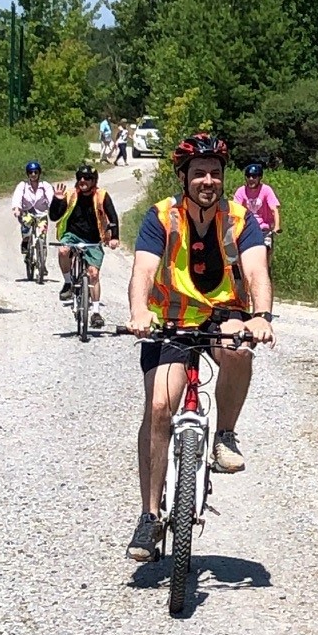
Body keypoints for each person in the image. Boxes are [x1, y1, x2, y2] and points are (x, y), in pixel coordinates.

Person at [124, 132, 274, 561]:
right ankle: (149, 517)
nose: (207, 181)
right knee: (159, 407)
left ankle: (224, 435)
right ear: (183, 177)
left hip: (222, 313)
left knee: (239, 347)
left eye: (215, 173)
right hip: (170, 319)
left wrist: (261, 315)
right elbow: (143, 272)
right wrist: (139, 311)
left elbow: (257, 272)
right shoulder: (162, 217)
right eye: (198, 173)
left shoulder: (241, 219)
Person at [49, 165, 120, 328]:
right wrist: (57, 200)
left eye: (87, 178)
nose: (83, 181)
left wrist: (114, 237)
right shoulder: (70, 194)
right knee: (63, 250)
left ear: (94, 181)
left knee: (93, 274)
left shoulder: (101, 195)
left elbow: (113, 217)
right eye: (80, 177)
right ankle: (68, 283)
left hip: (94, 238)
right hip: (72, 235)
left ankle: (95, 312)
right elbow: (54, 216)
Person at [9, 160, 52, 268]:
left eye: (35, 172)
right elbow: (17, 196)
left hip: (41, 214)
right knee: (26, 224)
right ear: (28, 174)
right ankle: (26, 242)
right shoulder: (23, 186)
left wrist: (53, 208)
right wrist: (17, 208)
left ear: (39, 173)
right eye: (31, 172)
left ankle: (42, 263)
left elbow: (51, 197)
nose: (33, 174)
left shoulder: (45, 186)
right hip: (27, 213)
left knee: (42, 237)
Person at [237, 160, 281, 242]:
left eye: (254, 176)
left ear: (260, 177)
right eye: (248, 176)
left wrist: (277, 227)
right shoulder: (241, 191)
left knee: (266, 247)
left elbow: (274, 210)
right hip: (247, 229)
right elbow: (235, 210)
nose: (251, 179)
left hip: (264, 229)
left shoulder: (266, 190)